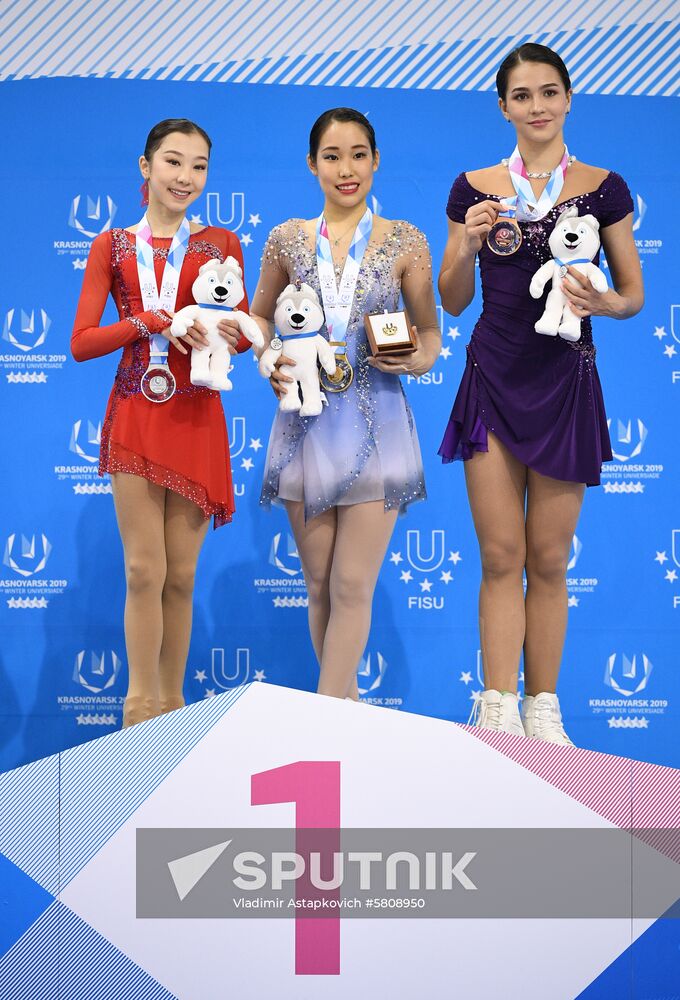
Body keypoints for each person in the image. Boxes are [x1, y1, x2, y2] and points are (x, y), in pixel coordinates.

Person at [438, 45, 643, 744]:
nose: (537, 107)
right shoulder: (473, 188)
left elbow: (633, 294)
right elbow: (452, 298)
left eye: (549, 92)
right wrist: (463, 246)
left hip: (564, 384)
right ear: (503, 107)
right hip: (492, 379)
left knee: (550, 558)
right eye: (522, 95)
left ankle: (544, 709)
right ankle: (496, 708)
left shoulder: (604, 186)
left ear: (568, 98)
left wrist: (605, 304)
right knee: (500, 555)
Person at [247, 108, 441, 701]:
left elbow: (430, 334)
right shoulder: (285, 238)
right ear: (312, 164)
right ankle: (345, 711)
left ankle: (327, 721)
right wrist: (267, 359)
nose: (347, 168)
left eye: (359, 154)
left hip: (377, 425)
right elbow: (257, 318)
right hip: (303, 423)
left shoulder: (407, 239)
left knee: (353, 584)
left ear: (376, 160)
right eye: (332, 156)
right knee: (319, 585)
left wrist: (414, 360)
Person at [71, 118, 251, 727]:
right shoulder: (111, 246)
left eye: (199, 166)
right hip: (135, 411)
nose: (186, 177)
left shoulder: (222, 243)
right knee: (144, 569)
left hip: (197, 411)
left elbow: (244, 332)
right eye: (173, 163)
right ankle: (137, 708)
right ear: (145, 168)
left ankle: (172, 711)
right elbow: (81, 341)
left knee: (183, 573)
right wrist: (146, 321)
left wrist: (226, 330)